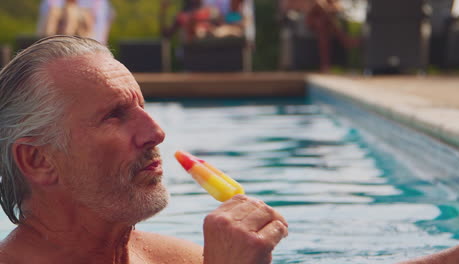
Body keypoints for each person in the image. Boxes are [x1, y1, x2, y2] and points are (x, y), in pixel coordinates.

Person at [0, 35, 288, 263]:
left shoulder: (189, 259)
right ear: (38, 160)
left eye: (142, 107)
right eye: (114, 115)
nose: (156, 133)